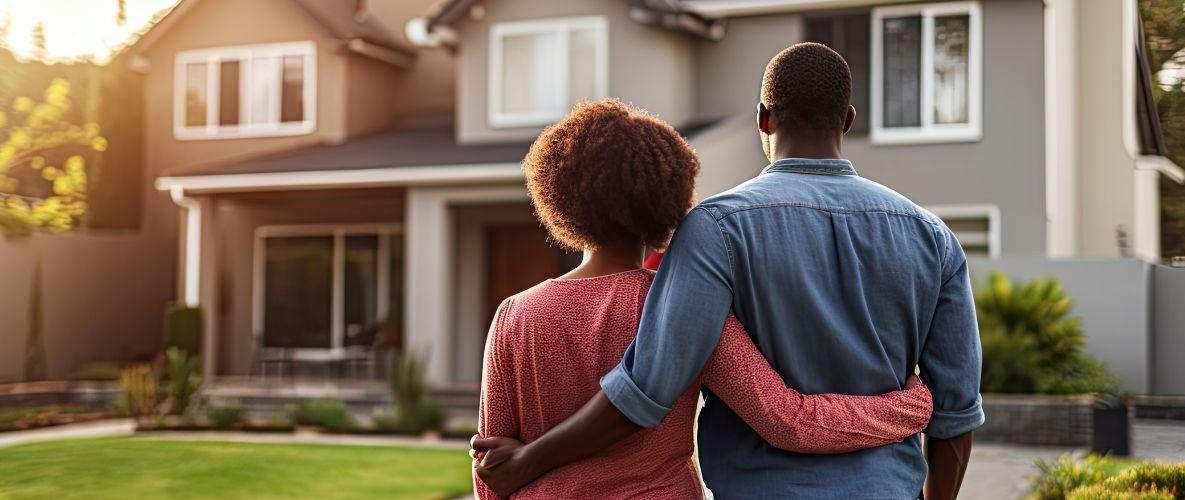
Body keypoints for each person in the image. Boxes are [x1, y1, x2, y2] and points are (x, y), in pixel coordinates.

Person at [473, 43, 984, 500]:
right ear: (847, 120)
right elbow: (800, 418)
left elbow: (635, 394)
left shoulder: (712, 233)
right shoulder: (932, 236)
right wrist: (912, 408)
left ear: (764, 119)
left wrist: (526, 464)